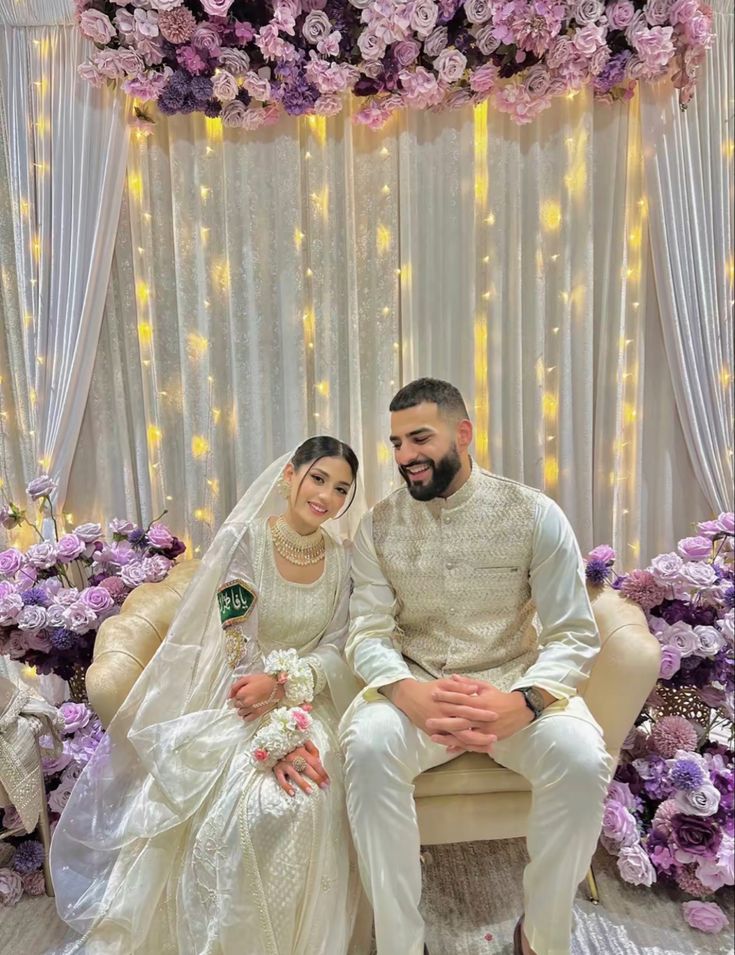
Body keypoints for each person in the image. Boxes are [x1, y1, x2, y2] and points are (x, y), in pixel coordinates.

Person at [51, 436, 369, 955]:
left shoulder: (342, 559)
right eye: (318, 478)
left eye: (341, 489)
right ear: (289, 475)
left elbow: (336, 646)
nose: (326, 496)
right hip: (239, 695)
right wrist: (271, 730)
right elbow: (237, 638)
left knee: (310, 795)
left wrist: (288, 689)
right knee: (258, 802)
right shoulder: (247, 542)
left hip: (312, 698)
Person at [341, 379, 613, 955]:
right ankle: (399, 942)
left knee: (583, 761)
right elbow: (366, 631)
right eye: (395, 444)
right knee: (366, 750)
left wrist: (525, 702)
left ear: (463, 434)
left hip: (513, 691)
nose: (405, 456)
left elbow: (573, 633)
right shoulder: (376, 526)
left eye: (419, 438)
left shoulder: (534, 514)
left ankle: (539, 937)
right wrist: (406, 691)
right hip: (418, 695)